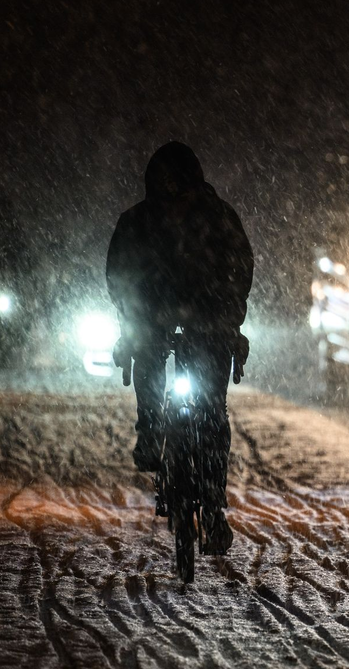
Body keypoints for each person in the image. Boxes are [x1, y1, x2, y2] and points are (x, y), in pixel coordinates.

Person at [106, 141, 253, 555]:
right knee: (147, 359)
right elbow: (120, 278)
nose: (172, 207)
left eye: (180, 195)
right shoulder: (135, 225)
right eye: (164, 196)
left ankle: (212, 504)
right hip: (152, 318)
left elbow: (239, 273)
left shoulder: (220, 221)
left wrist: (224, 321)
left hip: (208, 321)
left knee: (211, 414)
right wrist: (135, 321)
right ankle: (150, 429)